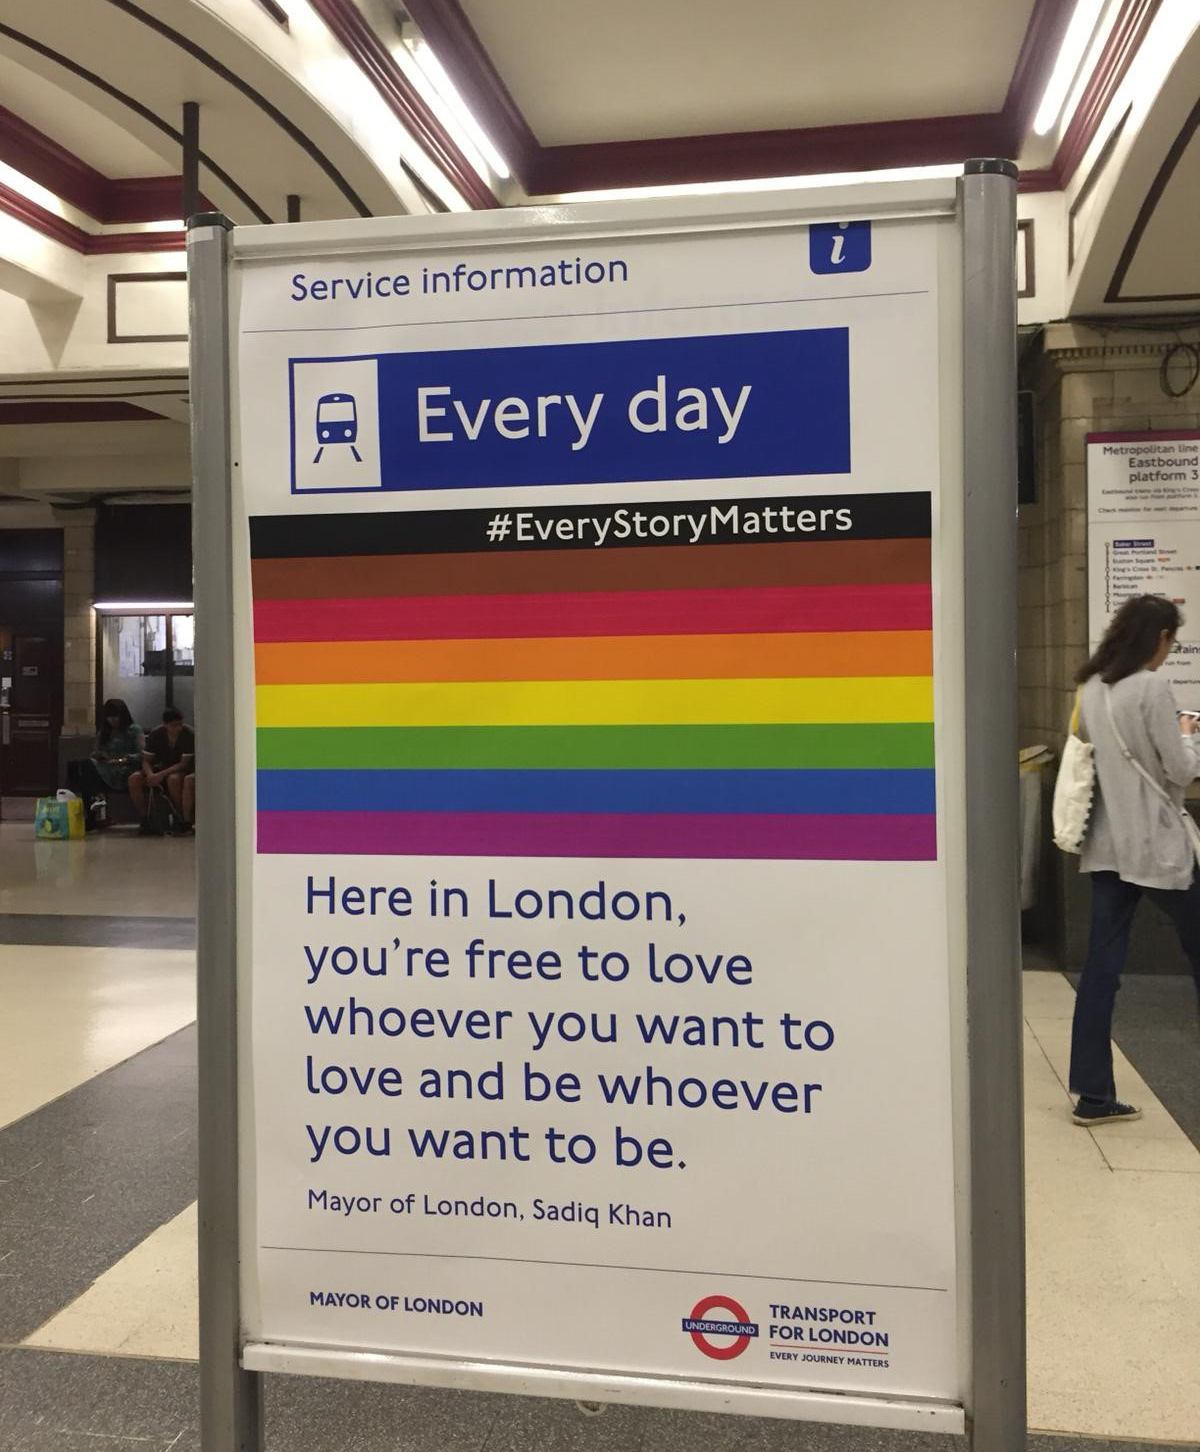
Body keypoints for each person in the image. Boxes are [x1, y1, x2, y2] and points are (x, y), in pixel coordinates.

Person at [1070, 594, 1200, 1126]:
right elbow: (1178, 771)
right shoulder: (1151, 688)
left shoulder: (1092, 687)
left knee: (1100, 972)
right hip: (1157, 848)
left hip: (1108, 847)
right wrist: (1190, 734)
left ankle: (1093, 1096)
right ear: (1160, 638)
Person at [68, 698, 145, 827]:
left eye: (115, 717)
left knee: (88, 773)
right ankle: (91, 809)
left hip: (124, 769)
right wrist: (99, 754)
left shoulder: (134, 730)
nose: (112, 720)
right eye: (109, 717)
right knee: (82, 766)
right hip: (105, 768)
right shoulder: (105, 731)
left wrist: (123, 759)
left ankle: (93, 809)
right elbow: (95, 751)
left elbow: (142, 754)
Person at [129, 707, 195, 835]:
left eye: (180, 724)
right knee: (134, 779)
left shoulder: (188, 734)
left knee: (173, 780)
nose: (178, 728)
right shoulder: (156, 734)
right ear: (165, 724)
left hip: (178, 769)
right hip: (159, 767)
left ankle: (181, 818)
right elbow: (146, 760)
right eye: (174, 725)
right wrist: (150, 774)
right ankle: (145, 818)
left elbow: (183, 764)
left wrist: (160, 775)